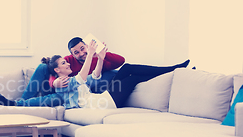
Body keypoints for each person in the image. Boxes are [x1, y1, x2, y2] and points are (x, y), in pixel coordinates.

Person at [42, 41, 190, 109]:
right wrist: (53, 82)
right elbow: (81, 76)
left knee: (127, 68)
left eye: (83, 49)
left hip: (102, 98)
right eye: (63, 64)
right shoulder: (66, 82)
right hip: (102, 104)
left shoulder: (71, 79)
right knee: (133, 79)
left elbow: (95, 77)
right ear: (57, 70)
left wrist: (100, 57)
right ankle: (172, 71)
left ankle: (172, 68)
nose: (67, 64)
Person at [0, 36, 125, 107]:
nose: (81, 53)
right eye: (76, 52)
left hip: (74, 93)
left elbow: (120, 61)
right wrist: (54, 83)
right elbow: (56, 70)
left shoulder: (95, 58)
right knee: (43, 67)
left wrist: (100, 54)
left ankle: (18, 105)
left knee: (112, 73)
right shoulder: (68, 62)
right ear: (72, 54)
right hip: (61, 89)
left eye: (83, 49)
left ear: (87, 46)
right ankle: (20, 103)